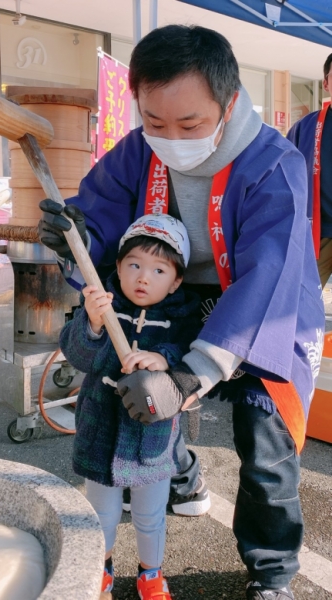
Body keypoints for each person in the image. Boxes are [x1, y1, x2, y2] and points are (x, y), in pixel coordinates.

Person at [39, 25, 324, 600]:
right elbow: (100, 214)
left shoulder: (274, 162)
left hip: (258, 310)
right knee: (136, 397)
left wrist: (192, 375)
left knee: (266, 444)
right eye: (154, 121)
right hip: (167, 297)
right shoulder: (139, 149)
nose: (169, 138)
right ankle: (184, 479)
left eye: (190, 125)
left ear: (230, 102)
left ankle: (272, 573)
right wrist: (74, 234)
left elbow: (268, 275)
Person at [60, 214, 202, 599]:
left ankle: (150, 574)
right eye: (134, 265)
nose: (143, 278)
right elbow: (78, 355)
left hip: (153, 441)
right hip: (99, 433)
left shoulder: (181, 320)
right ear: (119, 267)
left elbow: (190, 356)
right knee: (101, 514)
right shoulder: (102, 306)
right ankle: (101, 569)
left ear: (176, 282)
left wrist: (163, 358)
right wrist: (91, 325)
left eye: (159, 270)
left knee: (150, 516)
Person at [287, 52, 332, 288]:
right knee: (304, 297)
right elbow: (283, 177)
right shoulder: (305, 127)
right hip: (317, 232)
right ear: (326, 83)